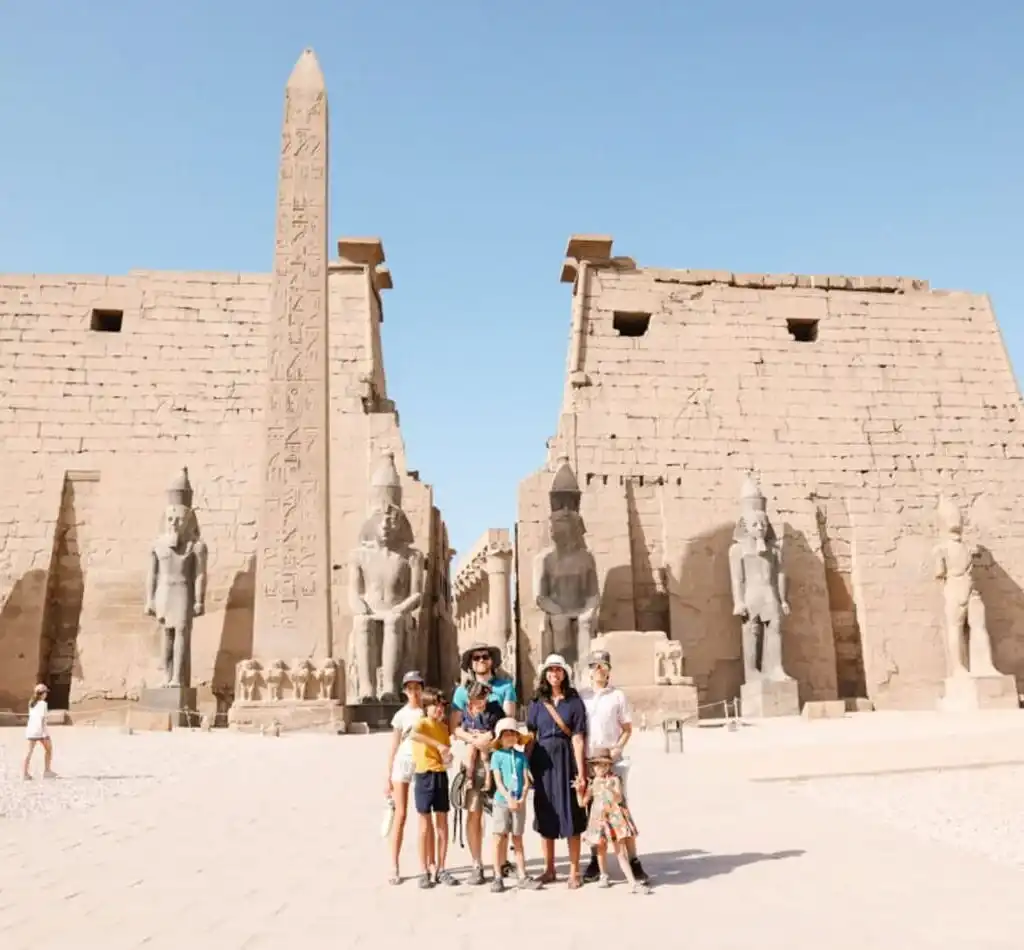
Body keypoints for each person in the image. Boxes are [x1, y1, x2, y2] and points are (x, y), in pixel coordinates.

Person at [579, 650, 649, 885]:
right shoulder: (582, 695)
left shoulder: (617, 695)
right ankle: (595, 861)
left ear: (609, 669)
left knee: (620, 807)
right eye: (595, 666)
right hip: (590, 758)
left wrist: (618, 747)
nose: (599, 670)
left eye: (603, 666)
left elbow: (627, 728)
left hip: (612, 757)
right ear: (589, 669)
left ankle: (634, 860)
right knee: (593, 811)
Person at [450, 641, 517, 884]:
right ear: (470, 663)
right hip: (474, 753)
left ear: (492, 660)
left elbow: (510, 719)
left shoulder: (506, 686)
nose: (481, 660)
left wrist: (491, 736)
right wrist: (473, 739)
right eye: (476, 657)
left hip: (499, 753)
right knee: (474, 811)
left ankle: (501, 861)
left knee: (502, 810)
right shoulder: (461, 691)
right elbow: (454, 727)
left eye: (485, 656)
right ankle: (476, 863)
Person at [525, 653, 588, 888]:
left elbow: (578, 738)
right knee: (545, 813)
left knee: (571, 812)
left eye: (558, 670)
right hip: (542, 761)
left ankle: (574, 871)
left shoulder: (574, 702)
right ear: (545, 674)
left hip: (566, 759)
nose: (554, 674)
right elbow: (531, 736)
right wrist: (525, 767)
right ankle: (549, 868)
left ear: (564, 674)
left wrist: (581, 773)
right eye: (550, 670)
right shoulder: (536, 702)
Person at [577, 748, 649, 894]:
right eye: (596, 765)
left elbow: (619, 798)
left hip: (614, 819)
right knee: (601, 849)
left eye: (603, 765)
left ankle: (632, 882)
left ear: (609, 766)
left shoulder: (614, 779)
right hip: (598, 820)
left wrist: (612, 789)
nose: (600, 768)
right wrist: (579, 790)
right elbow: (582, 803)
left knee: (620, 851)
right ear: (592, 767)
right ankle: (603, 875)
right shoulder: (593, 783)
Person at [409, 689, 458, 889]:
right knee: (424, 826)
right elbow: (413, 734)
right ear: (426, 707)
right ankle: (423, 869)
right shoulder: (422, 723)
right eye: (435, 706)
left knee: (442, 825)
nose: (439, 710)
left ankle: (441, 867)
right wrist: (437, 745)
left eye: (441, 706)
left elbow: (445, 752)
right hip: (423, 775)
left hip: (440, 774)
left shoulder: (443, 727)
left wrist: (448, 758)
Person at [488, 717, 542, 893]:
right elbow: (498, 781)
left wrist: (521, 797)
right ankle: (497, 875)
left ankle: (522, 874)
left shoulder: (521, 757)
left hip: (518, 802)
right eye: (506, 734)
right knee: (499, 837)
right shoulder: (496, 756)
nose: (510, 737)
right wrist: (508, 798)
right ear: (500, 738)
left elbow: (526, 780)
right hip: (502, 802)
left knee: (517, 838)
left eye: (513, 733)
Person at [384, 670, 425, 885]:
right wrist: (387, 776)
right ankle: (394, 864)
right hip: (403, 762)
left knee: (423, 814)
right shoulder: (401, 715)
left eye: (417, 688)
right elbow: (394, 745)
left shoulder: (426, 713)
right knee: (400, 814)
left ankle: (424, 864)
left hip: (422, 762)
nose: (414, 692)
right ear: (405, 691)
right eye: (410, 689)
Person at [22, 684, 56, 781]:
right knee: (49, 750)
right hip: (40, 731)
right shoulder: (43, 704)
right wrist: (43, 733)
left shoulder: (31, 703)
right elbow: (41, 719)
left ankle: (25, 773)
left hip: (31, 730)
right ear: (43, 694)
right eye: (45, 693)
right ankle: (47, 771)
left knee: (28, 752)